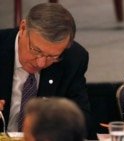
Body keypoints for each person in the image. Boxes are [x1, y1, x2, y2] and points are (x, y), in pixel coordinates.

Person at [0, 3, 93, 139]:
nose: (41, 63)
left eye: (52, 56)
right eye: (36, 50)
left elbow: (82, 121)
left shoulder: (73, 58)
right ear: (23, 28)